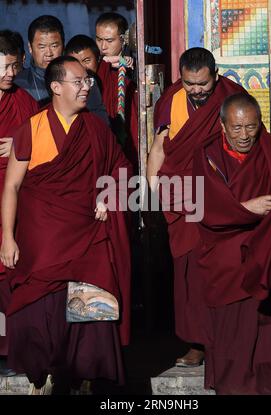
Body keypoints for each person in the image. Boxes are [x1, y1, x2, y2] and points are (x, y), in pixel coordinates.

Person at [0, 56, 131, 394]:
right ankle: (42, 376)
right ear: (56, 87)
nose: (85, 87)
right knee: (41, 305)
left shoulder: (96, 128)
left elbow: (120, 168)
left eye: (87, 81)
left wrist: (107, 194)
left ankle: (85, 376)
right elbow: (12, 186)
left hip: (87, 234)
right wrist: (7, 238)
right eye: (78, 81)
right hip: (42, 238)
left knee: (90, 300)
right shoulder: (32, 128)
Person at [192, 93, 271, 394]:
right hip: (228, 261)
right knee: (234, 342)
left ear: (260, 123)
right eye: (237, 128)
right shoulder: (207, 154)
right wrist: (245, 208)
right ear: (223, 125)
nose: (244, 136)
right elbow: (204, 206)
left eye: (251, 127)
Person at [147, 47, 246, 367]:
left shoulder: (232, 96)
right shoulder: (172, 100)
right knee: (189, 274)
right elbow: (160, 146)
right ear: (182, 77)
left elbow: (250, 143)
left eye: (202, 84)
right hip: (184, 197)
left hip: (223, 197)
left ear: (215, 76)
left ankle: (229, 342)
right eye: (190, 83)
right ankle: (197, 343)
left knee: (225, 270)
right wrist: (152, 188)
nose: (197, 90)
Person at [0, 31, 38, 375]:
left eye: (14, 65)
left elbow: (38, 142)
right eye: (5, 66)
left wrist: (19, 146)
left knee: (11, 274)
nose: (10, 73)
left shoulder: (24, 101)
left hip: (13, 197)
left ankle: (15, 350)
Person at [95, 12, 138, 171]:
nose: (103, 47)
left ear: (124, 39)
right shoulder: (96, 66)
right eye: (99, 40)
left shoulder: (133, 67)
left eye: (109, 41)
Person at [15, 15, 64, 106]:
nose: (49, 53)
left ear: (63, 45)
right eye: (42, 47)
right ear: (30, 48)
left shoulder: (77, 79)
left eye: (54, 46)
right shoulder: (19, 85)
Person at [64, 34, 109, 125]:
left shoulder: (116, 81)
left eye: (87, 60)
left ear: (98, 58)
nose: (82, 68)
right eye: (75, 63)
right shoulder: (64, 87)